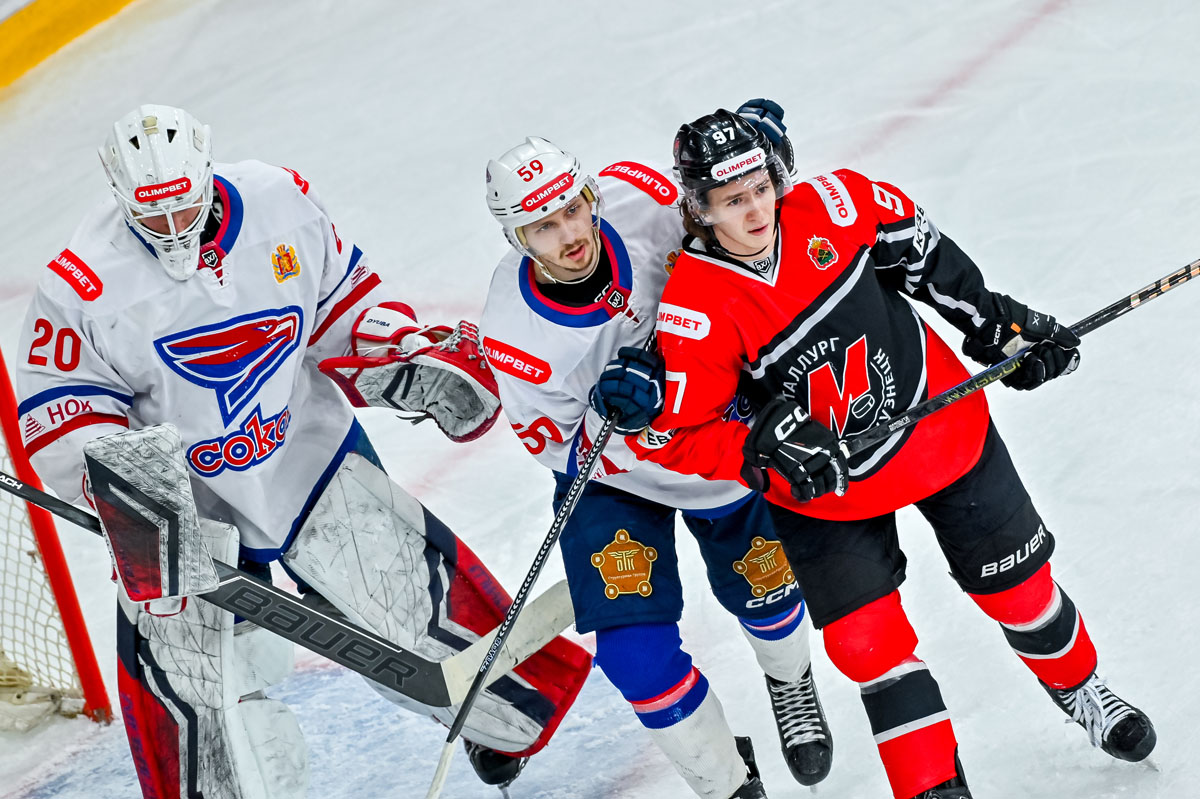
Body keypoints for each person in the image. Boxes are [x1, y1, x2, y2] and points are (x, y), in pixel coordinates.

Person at [14, 104, 591, 799]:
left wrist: (400, 353)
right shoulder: (81, 282)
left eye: (182, 207)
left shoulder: (277, 202)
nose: (172, 228)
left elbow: (341, 305)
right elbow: (60, 412)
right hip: (184, 507)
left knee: (405, 609)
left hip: (302, 452)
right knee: (198, 695)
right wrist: (128, 490)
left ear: (206, 171)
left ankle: (499, 722)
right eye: (152, 216)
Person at [605, 99, 1155, 799]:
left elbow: (930, 262)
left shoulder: (841, 204)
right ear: (700, 209)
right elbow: (674, 436)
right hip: (825, 490)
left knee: (1021, 592)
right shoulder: (693, 306)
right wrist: (759, 448)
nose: (756, 210)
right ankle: (932, 788)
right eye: (733, 200)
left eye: (762, 188)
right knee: (867, 645)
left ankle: (1080, 686)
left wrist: (1002, 326)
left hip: (941, 435)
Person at [479, 136, 832, 799]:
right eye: (543, 226)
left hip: (718, 436)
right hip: (616, 480)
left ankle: (790, 680)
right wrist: (611, 417)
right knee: (635, 657)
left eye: (573, 209)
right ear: (516, 237)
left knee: (770, 590)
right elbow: (551, 444)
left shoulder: (646, 197)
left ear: (591, 195)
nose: (569, 235)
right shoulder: (511, 330)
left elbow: (737, 237)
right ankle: (730, 785)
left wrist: (761, 158)